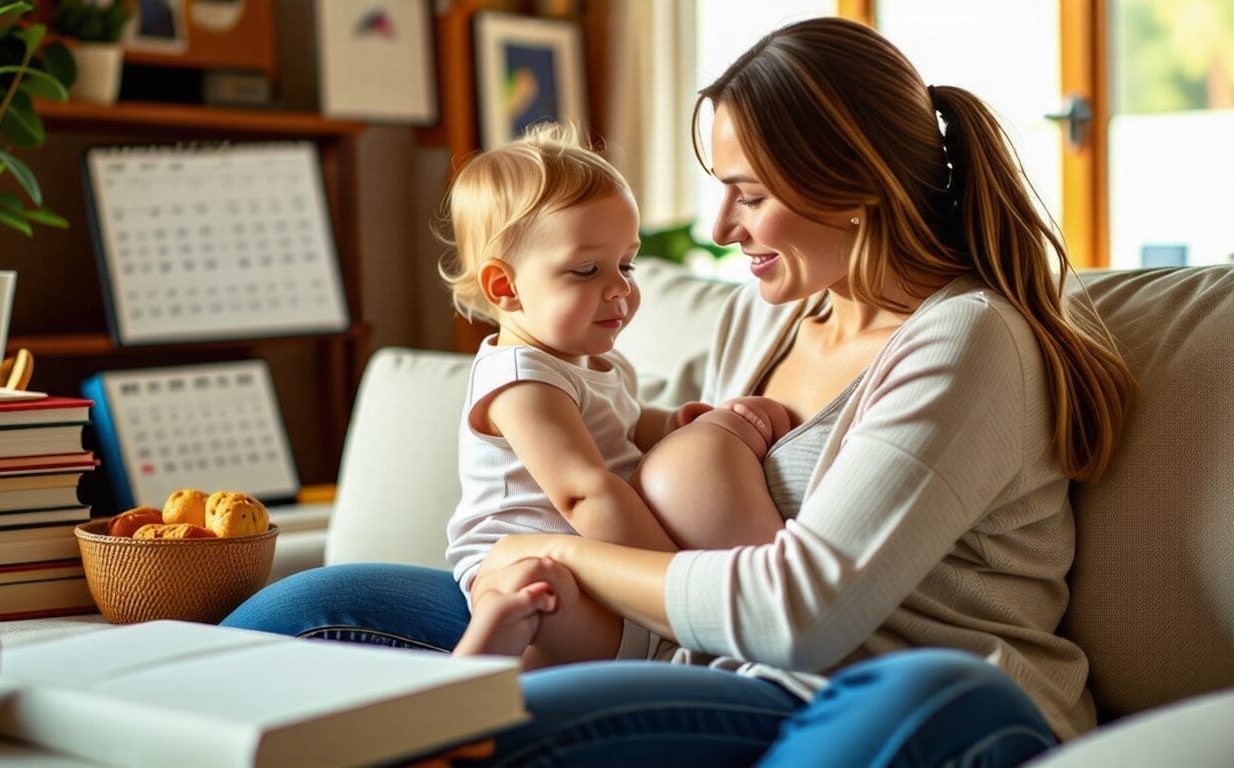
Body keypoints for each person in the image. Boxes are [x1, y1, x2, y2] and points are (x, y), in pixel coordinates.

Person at [223, 17, 1134, 766]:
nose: (719, 225)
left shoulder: (965, 341)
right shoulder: (771, 319)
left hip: (861, 689)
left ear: (849, 185)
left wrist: (561, 555)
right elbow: (661, 478)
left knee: (927, 695)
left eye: (745, 192)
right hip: (706, 660)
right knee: (324, 606)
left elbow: (799, 615)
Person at [435, 123, 793, 667]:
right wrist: (679, 579)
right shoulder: (519, 380)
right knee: (533, 587)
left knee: (560, 608)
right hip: (516, 560)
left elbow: (620, 423)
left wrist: (675, 422)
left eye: (627, 264)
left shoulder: (595, 360)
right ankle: (478, 657)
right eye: (587, 270)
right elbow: (584, 492)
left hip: (599, 573)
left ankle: (512, 673)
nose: (621, 288)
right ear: (504, 287)